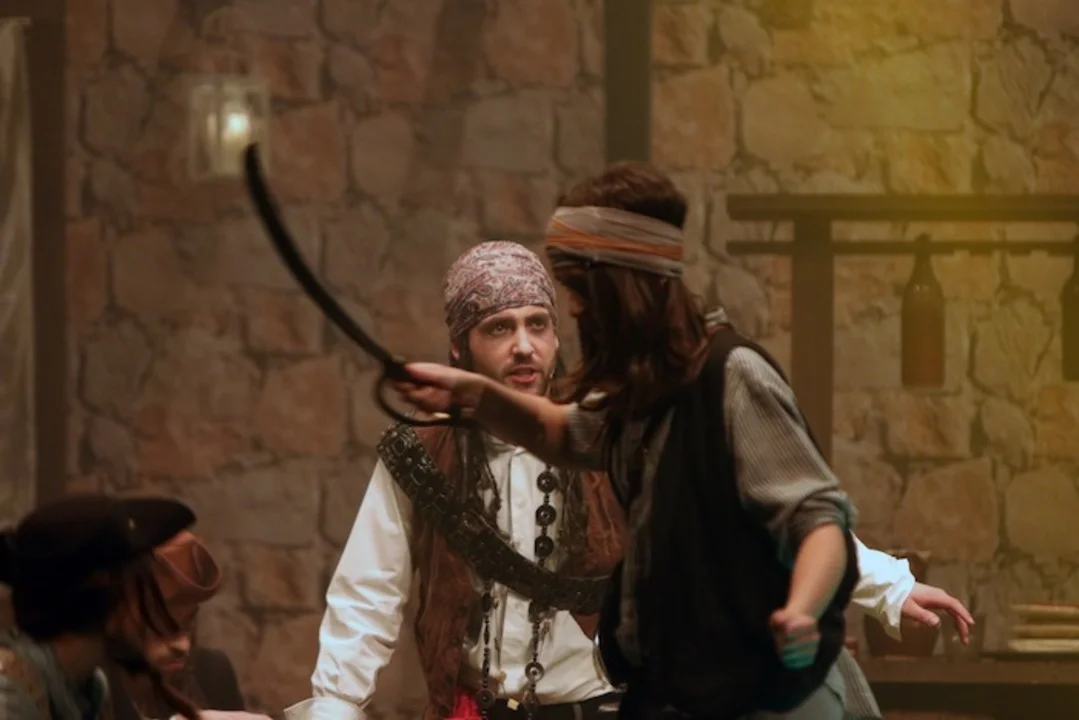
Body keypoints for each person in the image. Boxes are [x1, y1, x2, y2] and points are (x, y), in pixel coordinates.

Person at [391, 164, 898, 719]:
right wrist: (471, 395)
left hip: (766, 699)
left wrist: (801, 610)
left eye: (581, 292)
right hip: (687, 696)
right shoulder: (646, 393)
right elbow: (559, 432)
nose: (576, 309)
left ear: (624, 286)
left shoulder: (731, 376)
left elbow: (820, 520)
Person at [287, 242, 627, 720]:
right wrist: (335, 705)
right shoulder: (422, 452)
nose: (524, 345)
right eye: (499, 328)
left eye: (537, 324)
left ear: (555, 336)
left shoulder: (609, 441)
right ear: (459, 346)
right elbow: (369, 590)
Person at [0, 493, 201, 720]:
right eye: (140, 591)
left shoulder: (91, 686)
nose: (151, 612)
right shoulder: (8, 696)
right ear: (101, 597)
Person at [105, 531, 264, 720]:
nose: (183, 645)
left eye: (188, 624)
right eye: (165, 627)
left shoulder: (211, 672)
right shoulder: (90, 685)